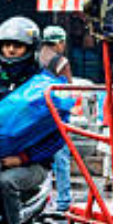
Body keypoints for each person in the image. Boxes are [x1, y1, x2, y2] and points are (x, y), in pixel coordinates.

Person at [0, 16, 52, 224]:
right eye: (6, 46)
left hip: (32, 165)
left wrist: (22, 159)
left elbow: (56, 138)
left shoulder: (43, 85)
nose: (11, 50)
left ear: (31, 49)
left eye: (18, 46)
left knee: (6, 182)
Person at [39, 25, 74, 213]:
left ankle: (42, 202)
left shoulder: (35, 58)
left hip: (37, 117)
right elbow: (69, 91)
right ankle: (63, 202)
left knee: (40, 159)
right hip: (56, 116)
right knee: (61, 160)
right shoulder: (61, 61)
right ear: (59, 42)